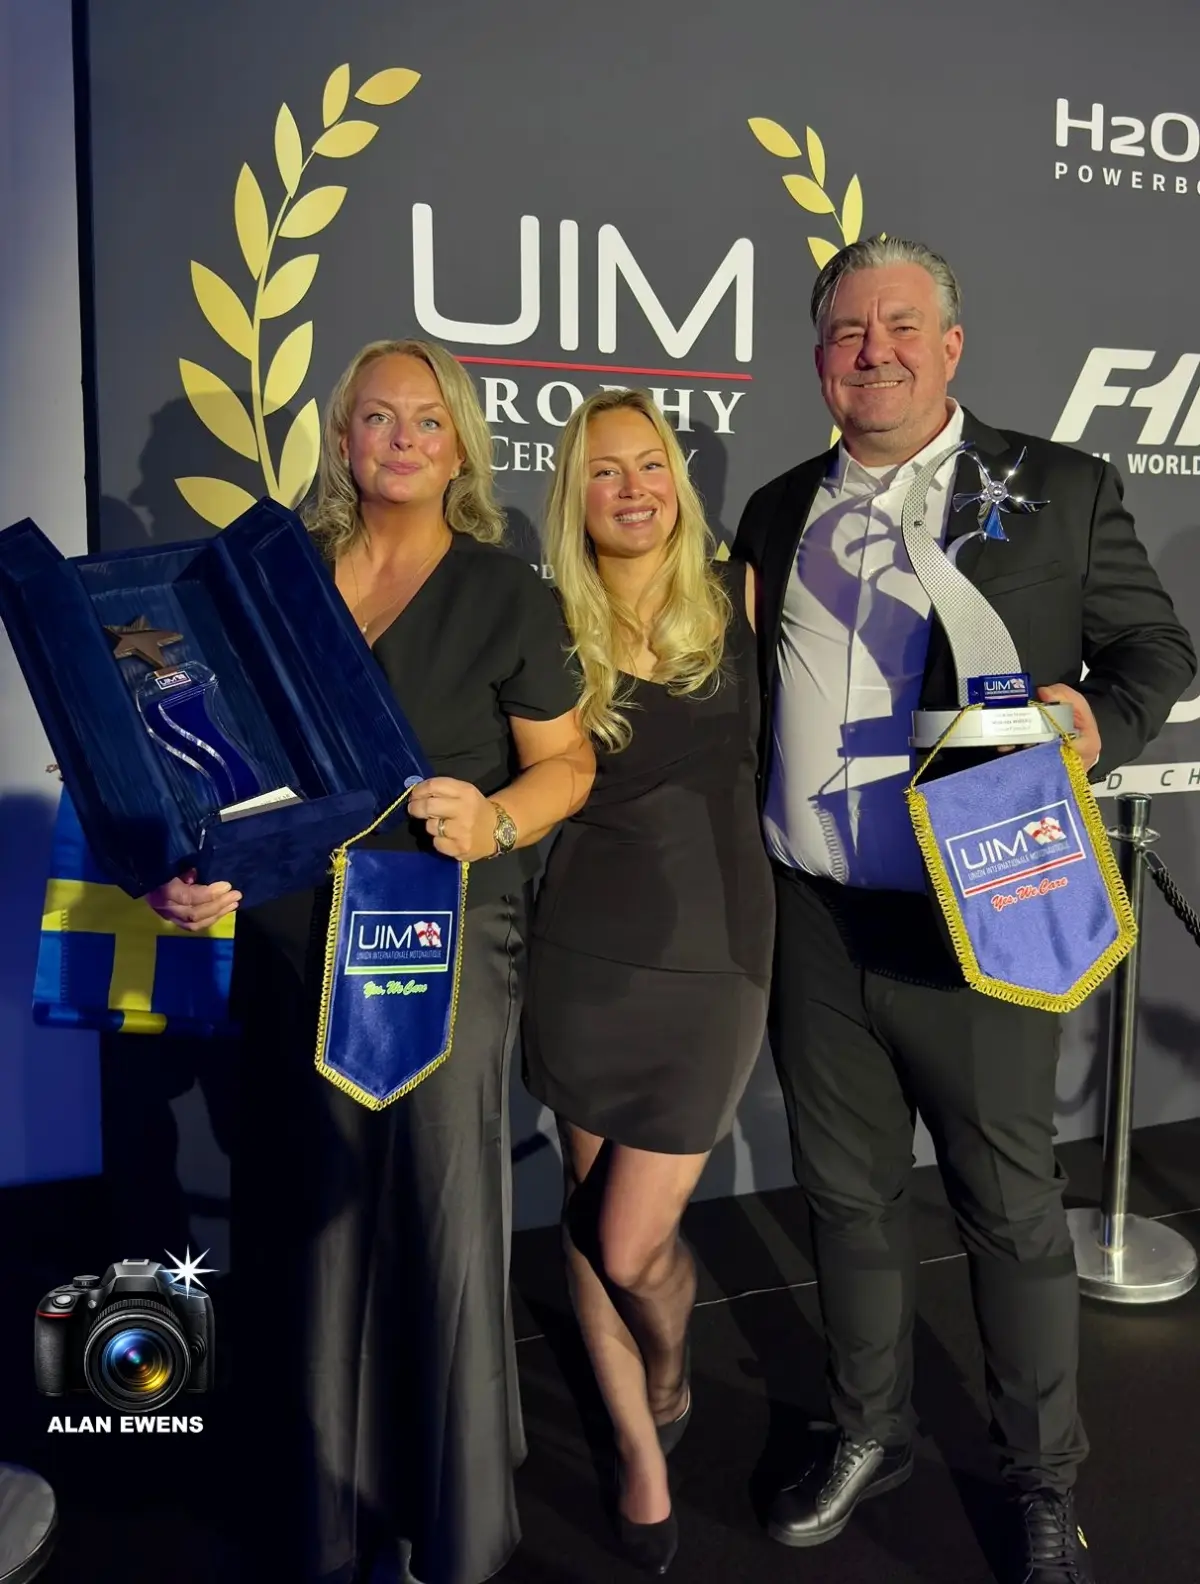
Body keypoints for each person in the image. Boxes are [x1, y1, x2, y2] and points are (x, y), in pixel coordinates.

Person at [732, 237, 1196, 1583]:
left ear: (950, 345)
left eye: (897, 326)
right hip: (813, 917)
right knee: (846, 1198)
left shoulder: (1055, 487)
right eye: (843, 332)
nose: (869, 349)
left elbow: (1157, 647)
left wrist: (1090, 718)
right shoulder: (773, 508)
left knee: (1008, 1206)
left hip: (978, 910)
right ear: (817, 358)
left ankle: (1044, 1480)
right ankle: (868, 1424)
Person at [144, 338, 594, 1584]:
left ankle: (444, 1525)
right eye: (376, 417)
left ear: (460, 444)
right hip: (291, 945)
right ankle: (320, 1517)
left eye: (427, 419)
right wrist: (191, 872)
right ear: (341, 437)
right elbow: (209, 769)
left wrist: (497, 818)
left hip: (435, 941)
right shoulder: (273, 583)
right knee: (306, 1219)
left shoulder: (508, 592)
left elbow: (568, 763)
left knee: (438, 1219)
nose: (401, 438)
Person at [523, 389, 773, 1575]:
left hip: (716, 962)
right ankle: (639, 1449)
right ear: (575, 495)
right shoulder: (543, 625)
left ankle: (668, 1365)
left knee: (631, 1246)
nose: (632, 488)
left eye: (649, 465)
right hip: (584, 965)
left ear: (676, 478)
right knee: (587, 1223)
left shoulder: (741, 601)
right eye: (603, 472)